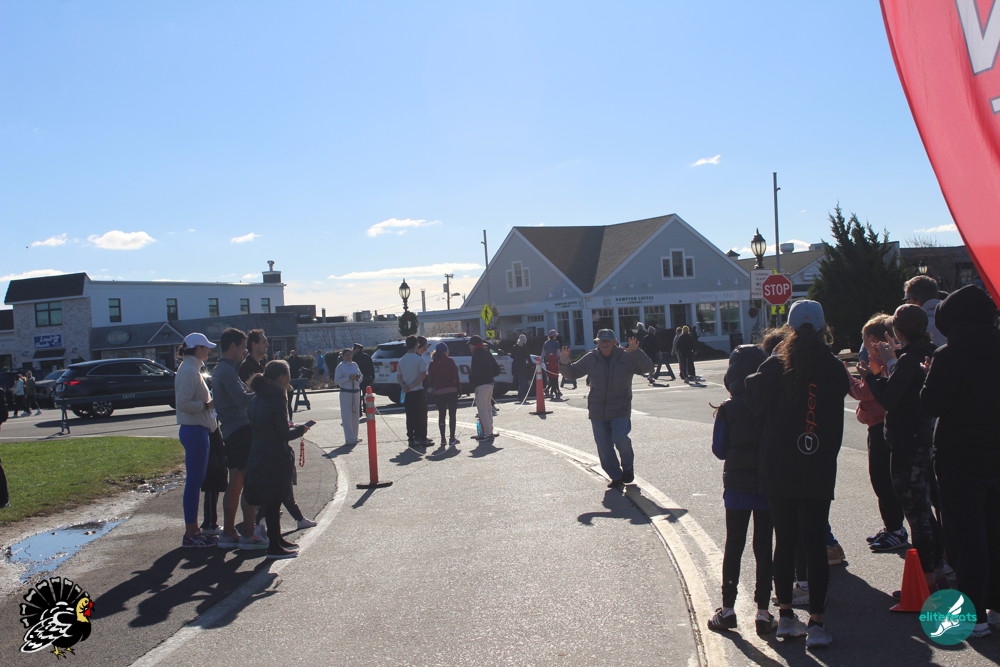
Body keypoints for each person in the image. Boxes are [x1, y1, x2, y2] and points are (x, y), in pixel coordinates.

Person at [744, 300, 849, 648]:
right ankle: (817, 622)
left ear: (789, 328)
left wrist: (771, 360)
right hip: (818, 463)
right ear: (822, 329)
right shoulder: (832, 366)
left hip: (780, 464)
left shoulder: (777, 364)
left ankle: (787, 616)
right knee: (814, 544)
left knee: (785, 541)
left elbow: (753, 398)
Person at [921, 284, 1000, 639]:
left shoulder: (949, 355)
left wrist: (928, 376)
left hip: (959, 455)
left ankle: (974, 614)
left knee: (967, 537)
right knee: (995, 530)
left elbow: (932, 404)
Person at [863, 304, 943, 590]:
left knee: (917, 512)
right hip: (928, 439)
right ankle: (941, 568)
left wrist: (875, 375)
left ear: (897, 331)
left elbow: (890, 398)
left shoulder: (908, 359)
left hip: (908, 442)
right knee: (930, 509)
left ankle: (928, 580)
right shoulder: (931, 352)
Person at [708, 344, 776, 636]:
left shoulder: (728, 408)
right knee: (763, 546)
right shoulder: (772, 405)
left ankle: (728, 609)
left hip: (737, 485)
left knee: (734, 545)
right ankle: (763, 611)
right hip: (766, 484)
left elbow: (719, 450)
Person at [558, 329, 653, 487]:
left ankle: (628, 468)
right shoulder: (591, 358)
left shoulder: (626, 356)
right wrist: (564, 363)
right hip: (597, 410)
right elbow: (572, 373)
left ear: (615, 342)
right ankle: (616, 476)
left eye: (608, 341)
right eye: (601, 341)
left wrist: (636, 352)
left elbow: (648, 367)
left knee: (620, 438)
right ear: (597, 342)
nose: (604, 344)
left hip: (620, 408)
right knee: (604, 446)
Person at [849, 314, 908, 553]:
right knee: (887, 480)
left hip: (880, 425)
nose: (863, 346)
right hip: (885, 424)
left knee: (882, 480)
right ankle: (892, 526)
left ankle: (895, 529)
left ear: (873, 340)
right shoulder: (891, 357)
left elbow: (866, 392)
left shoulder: (882, 360)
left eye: (864, 340)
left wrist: (847, 378)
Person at [244, 360, 311, 560]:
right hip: (274, 455)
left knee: (273, 500)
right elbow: (282, 434)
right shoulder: (276, 399)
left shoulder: (256, 398)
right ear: (282, 378)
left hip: (259, 452)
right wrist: (301, 430)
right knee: (274, 501)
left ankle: (277, 539)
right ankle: (274, 546)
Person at [211, 328, 266, 551]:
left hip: (233, 430)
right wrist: (267, 389)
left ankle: (229, 532)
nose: (245, 351)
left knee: (236, 482)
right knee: (249, 481)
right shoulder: (225, 371)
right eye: (243, 347)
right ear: (232, 347)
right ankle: (248, 532)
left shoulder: (225, 369)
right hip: (240, 431)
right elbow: (242, 400)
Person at [174, 333, 220, 548]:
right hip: (194, 429)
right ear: (198, 349)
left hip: (198, 428)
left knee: (196, 481)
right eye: (206, 347)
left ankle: (193, 530)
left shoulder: (191, 368)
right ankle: (190, 532)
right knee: (193, 482)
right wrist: (207, 405)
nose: (209, 351)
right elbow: (183, 403)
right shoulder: (189, 370)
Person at [397, 336, 431, 448]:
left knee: (410, 416)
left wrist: (404, 386)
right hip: (418, 391)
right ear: (416, 345)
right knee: (421, 415)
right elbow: (422, 376)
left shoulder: (401, 360)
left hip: (407, 392)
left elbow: (399, 377)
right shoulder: (419, 359)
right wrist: (412, 386)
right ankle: (422, 438)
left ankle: (411, 438)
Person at [428, 342, 460, 447]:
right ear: (446, 351)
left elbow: (431, 379)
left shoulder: (432, 363)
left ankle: (443, 439)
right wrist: (458, 388)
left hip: (439, 392)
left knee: (441, 415)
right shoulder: (450, 361)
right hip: (451, 391)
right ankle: (452, 438)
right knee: (452, 415)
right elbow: (455, 376)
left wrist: (433, 388)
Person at [469, 335, 501, 440]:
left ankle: (488, 433)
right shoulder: (487, 353)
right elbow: (497, 369)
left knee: (482, 410)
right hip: (490, 383)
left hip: (481, 385)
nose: (469, 347)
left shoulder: (476, 355)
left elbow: (474, 371)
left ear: (474, 345)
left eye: (470, 345)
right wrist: (489, 375)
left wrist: (473, 382)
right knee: (488, 408)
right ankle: (490, 430)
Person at [903, 274, 945, 347]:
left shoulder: (917, 329)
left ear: (912, 300)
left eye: (906, 300)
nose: (905, 304)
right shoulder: (951, 320)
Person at [333, 348, 363, 446]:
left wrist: (357, 378)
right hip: (346, 393)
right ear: (343, 356)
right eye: (347, 355)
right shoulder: (340, 366)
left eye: (350, 354)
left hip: (356, 392)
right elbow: (336, 381)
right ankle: (349, 438)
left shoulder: (355, 364)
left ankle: (355, 436)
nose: (349, 356)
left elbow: (361, 377)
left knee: (355, 415)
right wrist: (348, 378)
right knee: (347, 415)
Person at [353, 343, 375, 418]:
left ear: (357, 349)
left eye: (354, 348)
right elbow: (372, 367)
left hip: (358, 379)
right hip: (367, 379)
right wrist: (373, 377)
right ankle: (367, 410)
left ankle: (359, 412)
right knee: (367, 396)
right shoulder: (367, 356)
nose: (353, 350)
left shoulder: (354, 357)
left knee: (357, 396)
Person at [511, 334, 533, 401]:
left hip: (515, 365)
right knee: (522, 382)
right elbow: (528, 357)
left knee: (517, 381)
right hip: (522, 366)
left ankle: (519, 395)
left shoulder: (514, 346)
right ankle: (521, 396)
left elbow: (512, 356)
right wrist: (532, 364)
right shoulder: (525, 347)